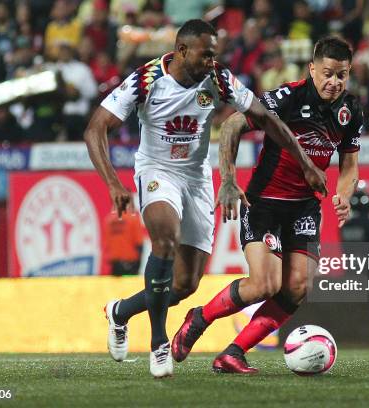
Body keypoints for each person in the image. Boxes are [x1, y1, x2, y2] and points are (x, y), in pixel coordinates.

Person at [83, 19, 326, 378]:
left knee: (183, 285)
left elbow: (265, 117)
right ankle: (158, 344)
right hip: (156, 172)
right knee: (164, 242)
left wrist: (305, 163)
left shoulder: (219, 79)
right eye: (206, 54)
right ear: (182, 51)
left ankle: (119, 312)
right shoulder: (146, 79)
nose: (213, 60)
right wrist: (113, 184)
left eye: (216, 54)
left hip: (196, 178)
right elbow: (95, 129)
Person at [171, 37, 363, 373]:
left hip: (305, 208)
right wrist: (228, 180)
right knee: (265, 284)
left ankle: (233, 353)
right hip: (265, 204)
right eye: (329, 73)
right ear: (312, 69)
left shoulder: (350, 111)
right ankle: (199, 319)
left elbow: (349, 164)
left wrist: (344, 195)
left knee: (298, 287)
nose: (335, 82)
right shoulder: (287, 97)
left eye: (342, 75)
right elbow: (232, 124)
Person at [102, 196, 145, 276]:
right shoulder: (133, 219)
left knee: (117, 288)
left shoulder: (108, 221)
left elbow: (106, 246)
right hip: (130, 265)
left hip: (114, 266)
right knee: (131, 288)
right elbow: (139, 244)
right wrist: (138, 266)